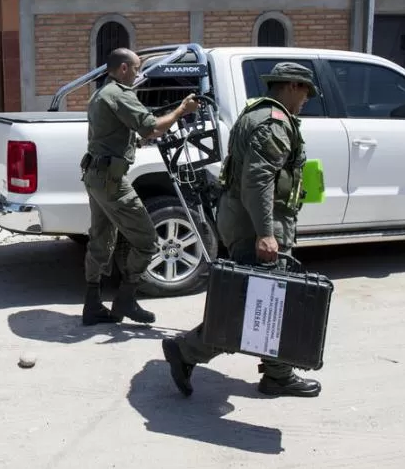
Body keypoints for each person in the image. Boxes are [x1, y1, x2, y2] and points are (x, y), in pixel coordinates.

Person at [162, 62, 322, 398]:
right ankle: (188, 351)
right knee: (255, 303)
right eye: (306, 91)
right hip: (255, 223)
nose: (307, 98)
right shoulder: (273, 123)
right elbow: (258, 180)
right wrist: (266, 232)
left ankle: (277, 373)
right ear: (292, 86)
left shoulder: (258, 114)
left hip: (246, 218)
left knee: (268, 297)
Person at [80, 48, 199, 326]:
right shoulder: (120, 94)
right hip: (111, 181)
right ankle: (126, 300)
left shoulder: (100, 94)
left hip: (95, 175)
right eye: (135, 69)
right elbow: (153, 128)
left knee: (100, 239)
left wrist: (133, 142)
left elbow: (110, 134)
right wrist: (183, 109)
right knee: (147, 241)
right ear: (123, 69)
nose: (137, 74)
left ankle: (92, 304)